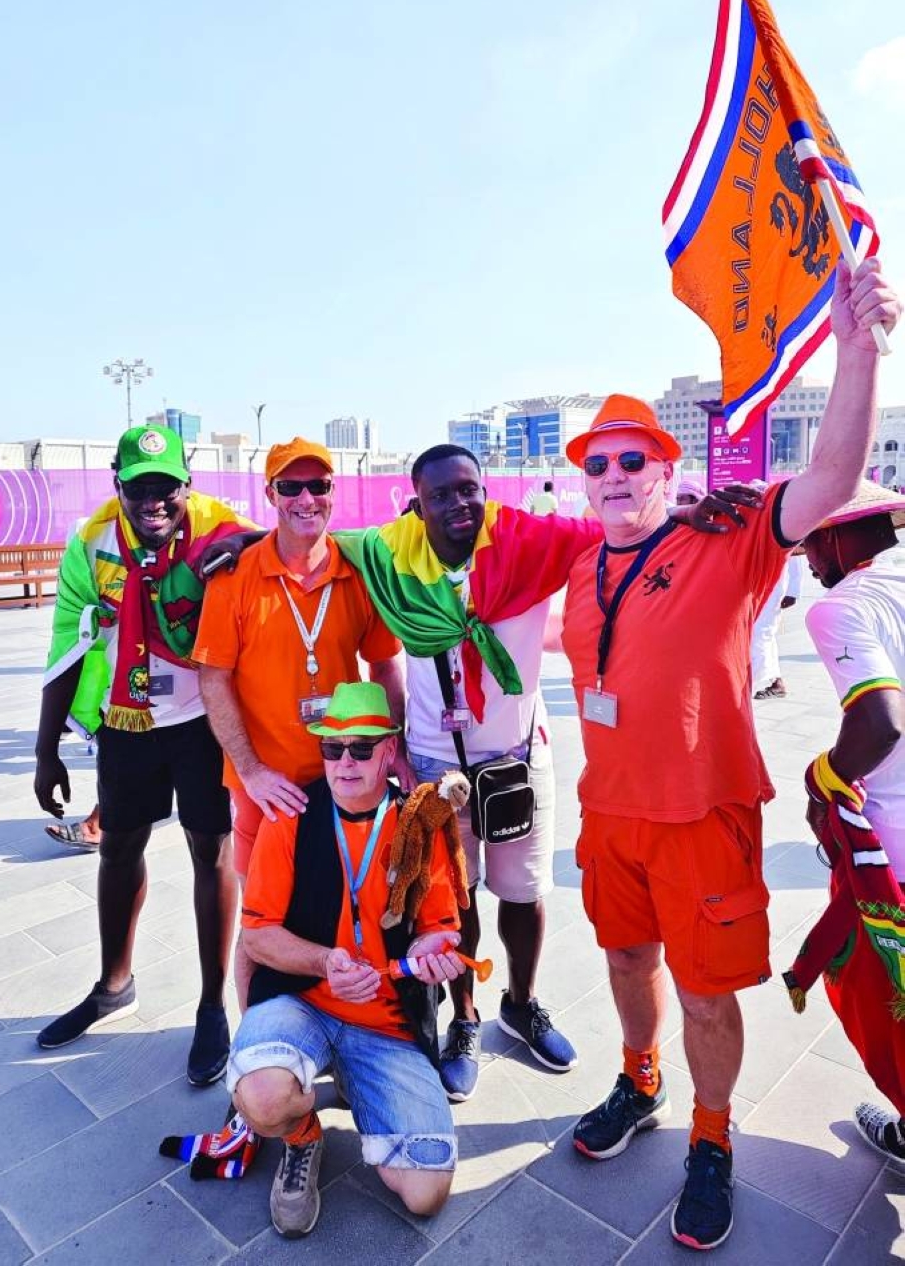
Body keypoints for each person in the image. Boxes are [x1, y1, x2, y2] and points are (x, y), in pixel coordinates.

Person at [559, 258, 900, 1251]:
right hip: (610, 814)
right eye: (600, 464)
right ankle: (638, 1077)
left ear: (668, 472)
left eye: (634, 461)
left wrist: (855, 346)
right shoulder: (582, 568)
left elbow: (831, 479)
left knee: (707, 991)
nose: (615, 477)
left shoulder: (728, 535)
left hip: (703, 816)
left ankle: (712, 1136)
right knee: (627, 957)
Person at [335, 445, 744, 1102]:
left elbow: (621, 529)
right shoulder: (388, 555)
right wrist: (233, 544)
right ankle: (464, 1017)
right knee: (454, 901)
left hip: (518, 759)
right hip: (437, 766)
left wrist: (691, 512)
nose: (458, 503)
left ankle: (520, 1003)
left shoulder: (526, 538)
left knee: (523, 895)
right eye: (441, 494)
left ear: (485, 489)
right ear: (416, 500)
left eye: (469, 489)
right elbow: (307, 541)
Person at [33, 425, 256, 1085]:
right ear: (117, 485)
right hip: (126, 716)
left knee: (210, 849)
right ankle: (113, 982)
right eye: (139, 488)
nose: (154, 501)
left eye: (167, 487)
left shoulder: (223, 530)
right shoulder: (91, 543)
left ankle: (213, 1005)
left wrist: (250, 547)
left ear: (187, 484)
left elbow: (278, 571)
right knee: (119, 845)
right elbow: (65, 646)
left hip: (200, 719)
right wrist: (46, 751)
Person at [227, 682, 463, 1238]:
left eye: (361, 747)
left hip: (387, 1024)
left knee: (425, 1193)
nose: (345, 762)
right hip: (301, 1002)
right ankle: (301, 1134)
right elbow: (256, 935)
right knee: (262, 1098)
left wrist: (436, 952)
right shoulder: (290, 817)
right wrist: (324, 961)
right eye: (333, 749)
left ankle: (360, 1082)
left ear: (389, 750)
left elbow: (441, 930)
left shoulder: (417, 823)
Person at [193, 437, 406, 1006]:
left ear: (334, 493)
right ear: (271, 494)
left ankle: (348, 1028)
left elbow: (385, 664)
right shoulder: (234, 578)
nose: (306, 498)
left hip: (347, 783)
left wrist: (393, 751)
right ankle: (254, 1050)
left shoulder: (357, 572)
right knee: (259, 923)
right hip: (267, 793)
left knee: (348, 906)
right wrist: (251, 771)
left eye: (319, 486)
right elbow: (213, 679)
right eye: (291, 487)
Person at [794, 479, 905, 1172]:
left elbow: (880, 721)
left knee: (880, 997)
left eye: (808, 538)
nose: (804, 556)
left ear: (836, 535)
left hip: (896, 853)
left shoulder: (843, 605)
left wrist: (824, 776)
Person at [751, 550, 803, 699]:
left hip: (774, 588)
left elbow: (795, 554)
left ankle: (748, 683)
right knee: (759, 633)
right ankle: (776, 681)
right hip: (752, 585)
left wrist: (793, 591)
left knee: (761, 632)